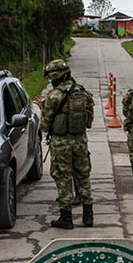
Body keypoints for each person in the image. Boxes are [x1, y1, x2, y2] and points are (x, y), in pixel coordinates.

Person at [40, 59, 95, 229]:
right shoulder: (83, 93)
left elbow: (44, 125)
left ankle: (66, 218)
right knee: (83, 177)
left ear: (56, 78)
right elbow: (89, 120)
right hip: (80, 142)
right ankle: (88, 216)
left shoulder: (54, 96)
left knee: (63, 179)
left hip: (61, 143)